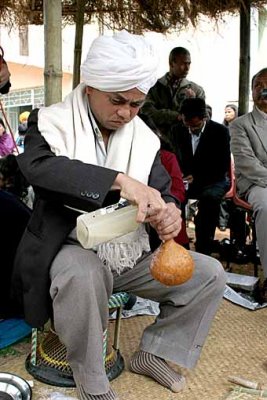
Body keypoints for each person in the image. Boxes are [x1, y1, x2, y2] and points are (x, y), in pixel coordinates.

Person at [12, 31, 226, 400]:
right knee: (84, 272)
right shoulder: (50, 121)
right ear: (91, 86)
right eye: (117, 101)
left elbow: (163, 189)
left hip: (127, 254)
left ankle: (153, 352)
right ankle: (91, 379)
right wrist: (120, 181)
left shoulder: (142, 137)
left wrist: (170, 211)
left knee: (209, 274)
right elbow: (41, 170)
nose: (126, 113)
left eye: (136, 104)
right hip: (68, 247)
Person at [170, 97, 231, 255]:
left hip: (213, 179)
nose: (191, 128)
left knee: (209, 200)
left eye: (195, 125)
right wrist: (181, 175)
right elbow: (174, 157)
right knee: (173, 198)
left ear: (204, 118)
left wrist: (197, 177)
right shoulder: (177, 130)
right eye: (187, 124)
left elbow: (222, 165)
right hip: (186, 179)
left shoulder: (220, 131)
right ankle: (178, 245)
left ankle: (204, 247)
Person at [230, 67, 267, 301]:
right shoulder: (241, 124)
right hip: (256, 184)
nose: (264, 90)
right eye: (258, 85)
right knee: (266, 205)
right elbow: (247, 165)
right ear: (252, 91)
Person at [140, 46, 205, 136]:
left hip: (186, 142)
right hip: (159, 140)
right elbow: (146, 111)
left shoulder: (196, 89)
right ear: (171, 63)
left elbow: (204, 116)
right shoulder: (153, 88)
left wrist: (193, 103)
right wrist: (176, 116)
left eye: (189, 64)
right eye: (183, 64)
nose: (187, 68)